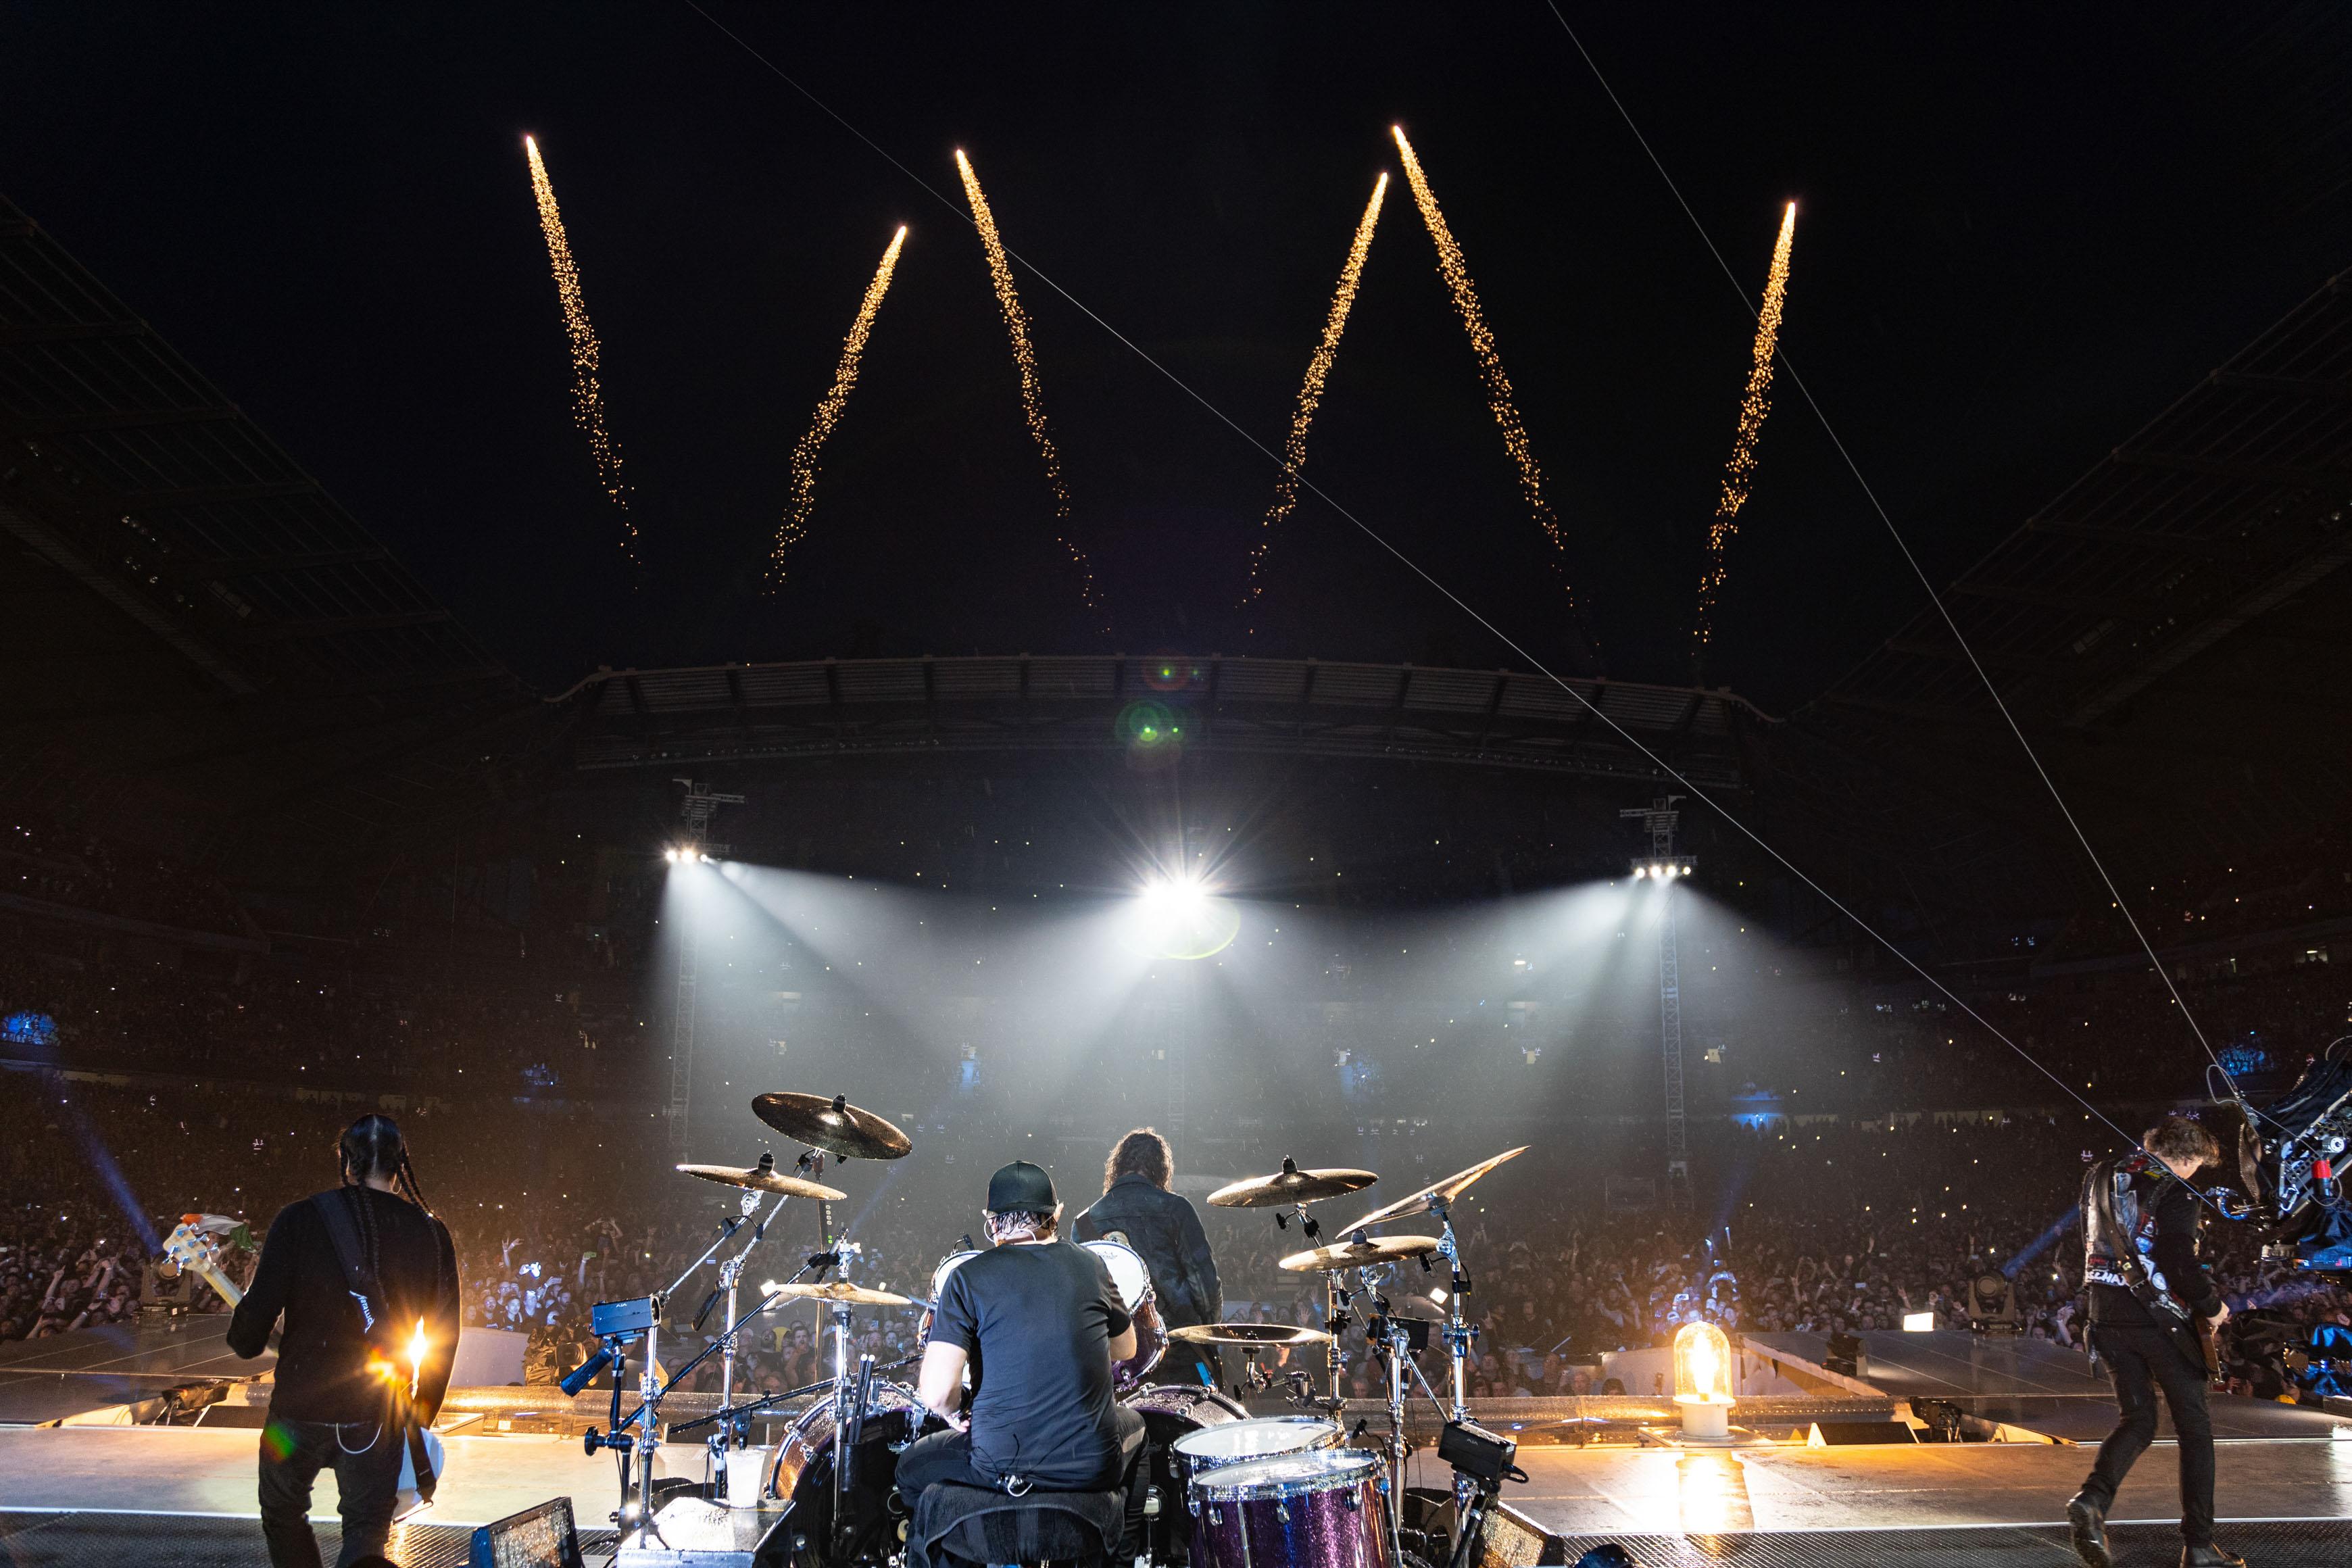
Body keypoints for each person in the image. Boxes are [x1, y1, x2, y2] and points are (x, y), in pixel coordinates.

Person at [228, 1115, 460, 1568]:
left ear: (347, 1162)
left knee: (282, 1512)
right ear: (400, 1166)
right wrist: (420, 1414)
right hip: (375, 1414)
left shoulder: (299, 1219)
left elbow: (255, 1321)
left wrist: (245, 1339)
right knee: (367, 1528)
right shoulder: (430, 1232)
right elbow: (444, 1335)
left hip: (297, 1408)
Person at [899, 1160, 1143, 1502]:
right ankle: (1120, 1535)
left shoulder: (966, 1278)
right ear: (1057, 1213)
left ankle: (960, 1529)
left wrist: (959, 1408)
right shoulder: (1092, 1266)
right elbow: (1127, 1348)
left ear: (991, 1221)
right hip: (1091, 1466)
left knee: (909, 1470)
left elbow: (937, 1395)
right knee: (1139, 1427)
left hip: (999, 1464)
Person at [2067, 1115, 2240, 1568]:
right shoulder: (2178, 1191)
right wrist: (2212, 1305)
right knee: (2194, 1429)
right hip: (2158, 1322)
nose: (2194, 1175)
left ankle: (2092, 1499)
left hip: (2104, 1315)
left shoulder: (2101, 1176)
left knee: (2139, 1419)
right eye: (2196, 1166)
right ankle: (2199, 1544)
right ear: (2187, 1156)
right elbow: (2177, 1260)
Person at [1073, 1128, 1223, 1386]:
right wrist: (1206, 1334)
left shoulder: (1084, 1222)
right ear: (1160, 1169)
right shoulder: (1177, 1209)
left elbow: (1083, 1300)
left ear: (1118, 1166)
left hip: (1117, 1366)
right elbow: (1205, 1287)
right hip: (1178, 1351)